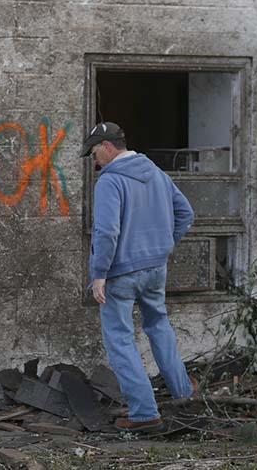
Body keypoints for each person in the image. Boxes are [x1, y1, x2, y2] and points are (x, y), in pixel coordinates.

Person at [81, 121, 197, 432]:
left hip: (120, 273)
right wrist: (164, 244)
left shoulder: (110, 182)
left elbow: (106, 232)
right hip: (155, 268)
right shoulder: (156, 173)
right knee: (158, 325)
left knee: (120, 339)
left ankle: (144, 413)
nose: (95, 161)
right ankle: (183, 393)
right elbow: (186, 213)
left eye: (94, 153)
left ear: (107, 147)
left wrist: (99, 274)